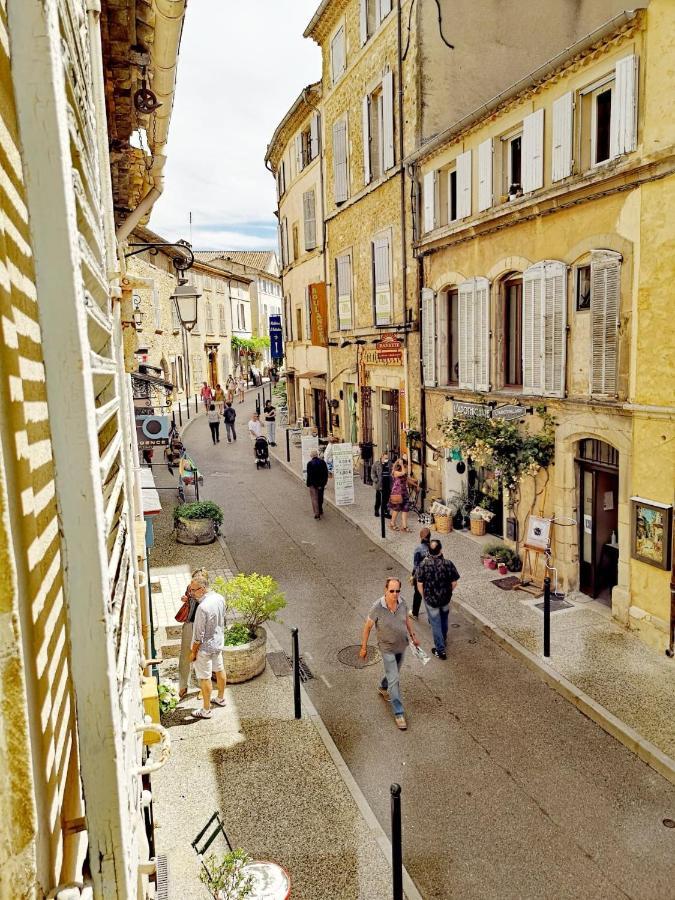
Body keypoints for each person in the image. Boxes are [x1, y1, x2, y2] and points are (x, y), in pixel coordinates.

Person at [360, 577, 419, 731]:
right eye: (391, 591)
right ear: (385, 590)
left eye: (397, 591)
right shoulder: (377, 607)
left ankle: (383, 686)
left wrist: (413, 636)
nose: (395, 594)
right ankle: (399, 713)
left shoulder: (402, 602)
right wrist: (364, 647)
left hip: (401, 645)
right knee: (394, 678)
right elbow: (367, 627)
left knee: (394, 673)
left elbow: (407, 619)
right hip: (386, 647)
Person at [190, 573, 227, 718]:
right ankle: (221, 698)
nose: (192, 593)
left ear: (203, 589)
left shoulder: (202, 607)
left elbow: (198, 635)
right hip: (217, 642)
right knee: (219, 669)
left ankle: (206, 710)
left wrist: (193, 652)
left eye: (194, 590)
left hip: (204, 648)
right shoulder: (220, 598)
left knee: (205, 677)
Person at [416, 540, 460, 660]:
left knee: (435, 624)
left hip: (431, 600)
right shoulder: (448, 563)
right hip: (445, 598)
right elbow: (455, 582)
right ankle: (443, 639)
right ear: (440, 550)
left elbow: (420, 584)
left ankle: (440, 650)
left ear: (428, 551)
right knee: (444, 619)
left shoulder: (423, 565)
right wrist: (448, 592)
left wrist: (424, 596)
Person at [176, 567, 208, 700]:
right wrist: (187, 598)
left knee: (202, 657)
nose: (192, 588)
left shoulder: (207, 594)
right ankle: (183, 685)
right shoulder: (190, 588)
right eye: (192, 583)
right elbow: (190, 601)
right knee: (185, 655)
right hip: (190, 624)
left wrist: (191, 599)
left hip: (202, 627)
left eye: (196, 585)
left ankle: (203, 687)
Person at [410, 527, 431, 620]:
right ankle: (432, 618)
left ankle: (415, 613)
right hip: (431, 576)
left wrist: (412, 576)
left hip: (420, 577)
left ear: (420, 537)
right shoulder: (434, 547)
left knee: (418, 594)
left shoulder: (418, 549)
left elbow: (416, 565)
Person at [388, 458, 411, 532]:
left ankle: (404, 526)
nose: (405, 466)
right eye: (404, 465)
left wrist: (416, 485)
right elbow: (403, 473)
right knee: (396, 509)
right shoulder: (395, 472)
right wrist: (401, 464)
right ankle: (392, 523)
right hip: (397, 493)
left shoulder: (403, 470)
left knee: (405, 509)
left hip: (404, 493)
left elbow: (407, 479)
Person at [306, 447, 328, 519]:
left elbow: (310, 476)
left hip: (313, 484)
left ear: (311, 456)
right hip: (321, 484)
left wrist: (314, 485)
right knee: (320, 497)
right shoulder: (322, 462)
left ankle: (317, 513)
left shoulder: (310, 464)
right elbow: (325, 474)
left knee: (314, 498)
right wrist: (323, 484)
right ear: (317, 455)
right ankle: (320, 509)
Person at [372, 453, 391, 519]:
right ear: (381, 458)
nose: (386, 459)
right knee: (379, 499)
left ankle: (386, 512)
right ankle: (376, 510)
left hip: (387, 484)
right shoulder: (376, 464)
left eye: (387, 458)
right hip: (379, 484)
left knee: (387, 499)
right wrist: (375, 479)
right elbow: (372, 472)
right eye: (385, 458)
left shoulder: (389, 464)